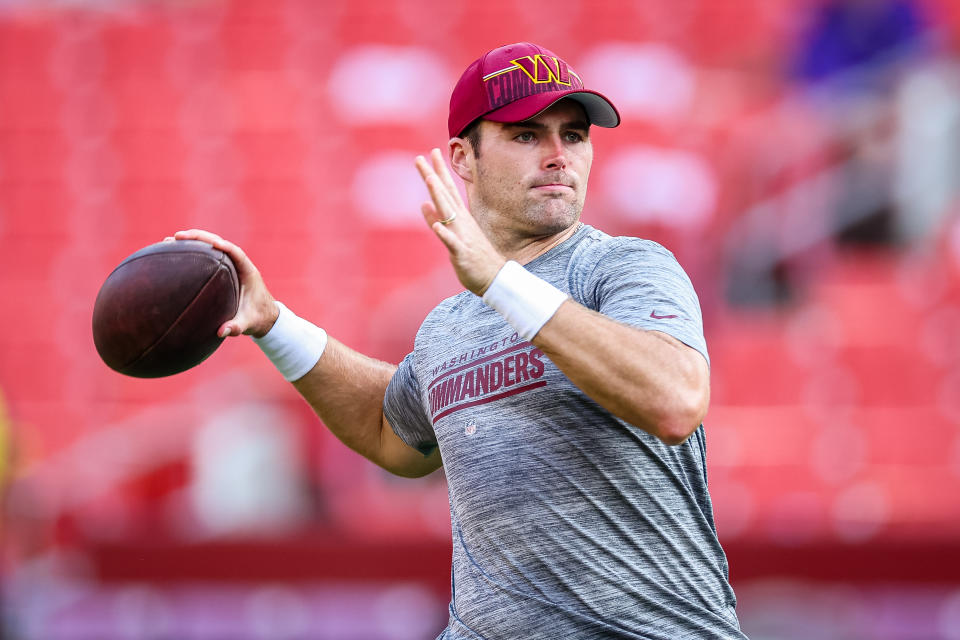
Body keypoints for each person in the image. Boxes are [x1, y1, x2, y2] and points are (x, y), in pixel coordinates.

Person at [175, 42, 746, 640]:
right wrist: (274, 323)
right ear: (462, 158)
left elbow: (675, 399)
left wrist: (501, 281)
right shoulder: (449, 324)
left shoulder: (626, 267)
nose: (558, 156)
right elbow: (390, 434)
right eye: (527, 135)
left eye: (574, 135)